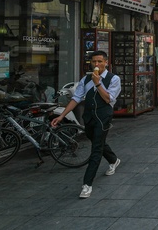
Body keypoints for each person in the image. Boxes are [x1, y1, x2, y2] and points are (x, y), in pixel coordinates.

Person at [51, 50, 121, 199]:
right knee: (96, 140)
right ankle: (114, 160)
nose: (96, 64)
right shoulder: (85, 79)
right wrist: (62, 116)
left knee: (96, 149)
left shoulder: (113, 79)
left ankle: (87, 184)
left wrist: (98, 84)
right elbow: (76, 98)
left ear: (106, 62)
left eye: (100, 62)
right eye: (94, 61)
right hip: (89, 116)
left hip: (103, 116)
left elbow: (108, 99)